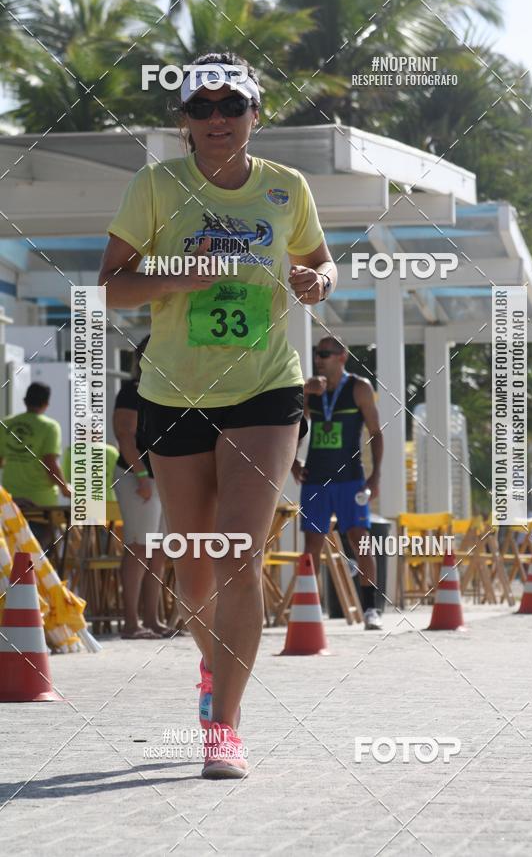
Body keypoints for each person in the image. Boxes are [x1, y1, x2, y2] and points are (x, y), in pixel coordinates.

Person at [98, 51, 336, 779]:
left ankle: (224, 727)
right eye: (201, 108)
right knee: (194, 571)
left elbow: (323, 261)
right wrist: (178, 274)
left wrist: (317, 281)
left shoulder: (286, 188)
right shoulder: (155, 185)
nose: (217, 118)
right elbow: (108, 287)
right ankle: (214, 669)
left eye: (232, 105)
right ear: (184, 122)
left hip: (265, 390)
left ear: (254, 114)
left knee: (238, 553)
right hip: (173, 394)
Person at [291, 337, 384, 630]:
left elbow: (376, 432)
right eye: (317, 354)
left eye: (325, 354)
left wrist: (376, 475)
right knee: (312, 545)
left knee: (360, 539)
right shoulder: (312, 389)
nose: (319, 359)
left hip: (350, 479)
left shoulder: (359, 387)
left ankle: (371, 609)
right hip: (316, 479)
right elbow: (293, 425)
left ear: (342, 357)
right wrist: (293, 461)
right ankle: (309, 609)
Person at [112, 336, 169, 639]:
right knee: (138, 547)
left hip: (161, 477)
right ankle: (131, 622)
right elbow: (125, 436)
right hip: (136, 475)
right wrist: (143, 476)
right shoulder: (131, 391)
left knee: (157, 551)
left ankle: (152, 619)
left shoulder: (165, 389)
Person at [0, 382, 70, 552]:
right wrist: (64, 488)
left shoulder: (6, 424)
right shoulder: (49, 426)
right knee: (39, 554)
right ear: (46, 403)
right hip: (41, 503)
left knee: (14, 552)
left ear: (25, 401)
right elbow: (50, 463)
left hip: (11, 500)